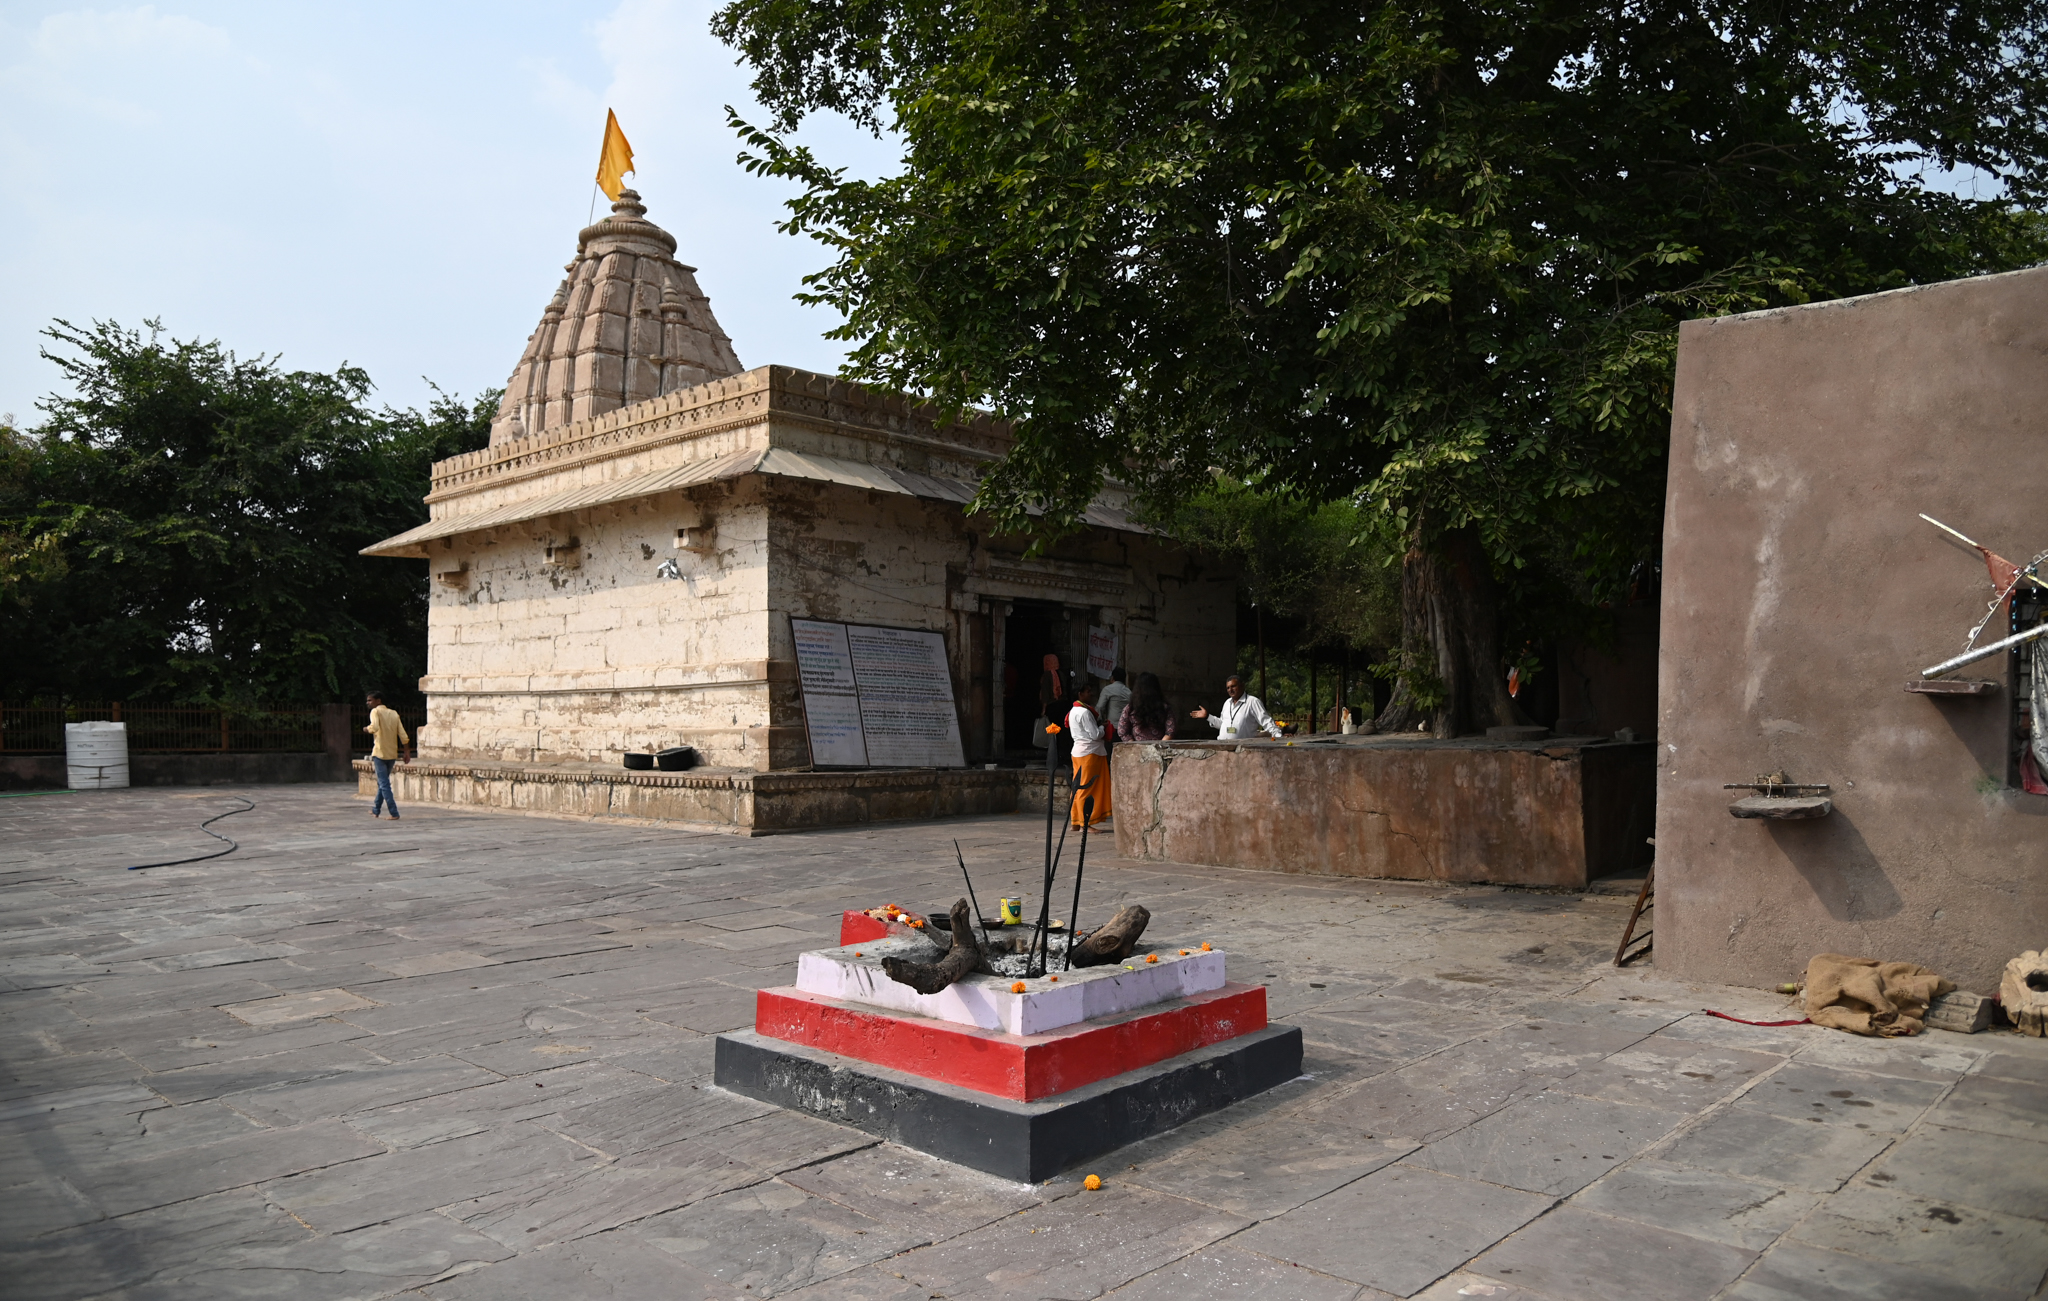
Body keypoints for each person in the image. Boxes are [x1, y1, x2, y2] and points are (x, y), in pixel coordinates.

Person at [1066, 681, 1112, 827]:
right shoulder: (1084, 712)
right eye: (1088, 691)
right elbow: (1095, 735)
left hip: (1080, 752)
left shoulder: (1074, 711)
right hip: (1089, 752)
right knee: (1086, 788)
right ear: (1080, 694)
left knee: (1078, 787)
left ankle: (1076, 820)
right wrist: (1103, 728)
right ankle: (1085, 824)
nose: (1091, 694)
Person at [364, 691, 412, 819]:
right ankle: (376, 809)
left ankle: (394, 812)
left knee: (384, 784)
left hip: (380, 752)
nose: (368, 703)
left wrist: (366, 729)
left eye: (370, 700)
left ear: (378, 701)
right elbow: (403, 735)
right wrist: (406, 751)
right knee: (382, 783)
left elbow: (373, 728)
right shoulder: (393, 713)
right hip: (392, 754)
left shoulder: (375, 712)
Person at [1190, 674, 1283, 740]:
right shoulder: (1227, 703)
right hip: (1223, 747)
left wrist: (1279, 737)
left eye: (1233, 686)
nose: (1230, 690)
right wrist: (1207, 716)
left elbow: (1267, 722)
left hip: (1242, 750)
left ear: (1242, 686)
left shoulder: (1252, 702)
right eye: (1228, 688)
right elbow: (1223, 725)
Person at [1118, 671, 1175, 742]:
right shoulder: (1164, 707)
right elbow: (1170, 731)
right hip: (1159, 750)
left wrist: (1135, 747)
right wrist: (1159, 747)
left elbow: (1122, 731)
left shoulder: (1130, 708)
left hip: (1137, 750)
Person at [1095, 667, 1132, 749]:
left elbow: (1100, 707)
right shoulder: (1129, 692)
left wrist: (1099, 722)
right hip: (1127, 729)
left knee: (1111, 754)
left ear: (1112, 678)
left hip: (1112, 728)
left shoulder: (1108, 689)